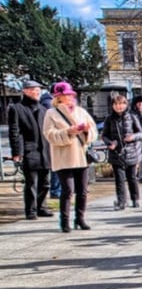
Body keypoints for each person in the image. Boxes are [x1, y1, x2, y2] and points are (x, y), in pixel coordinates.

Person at [43, 82, 98, 232]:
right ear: (58, 97)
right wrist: (68, 131)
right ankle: (64, 221)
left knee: (83, 190)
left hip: (81, 154)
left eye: (70, 95)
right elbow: (48, 134)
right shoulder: (51, 113)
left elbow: (92, 129)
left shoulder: (81, 111)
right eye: (65, 95)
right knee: (67, 190)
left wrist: (86, 131)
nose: (69, 98)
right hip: (63, 156)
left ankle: (80, 218)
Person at [8, 80, 53, 220]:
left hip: (45, 149)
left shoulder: (44, 109)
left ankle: (42, 206)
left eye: (39, 89)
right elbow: (15, 131)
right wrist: (17, 152)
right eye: (34, 89)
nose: (37, 92)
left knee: (45, 181)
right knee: (31, 182)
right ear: (26, 91)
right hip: (29, 149)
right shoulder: (17, 108)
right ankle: (31, 210)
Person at [101, 94, 142, 210]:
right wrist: (110, 143)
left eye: (121, 104)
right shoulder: (109, 119)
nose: (119, 106)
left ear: (126, 105)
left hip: (131, 152)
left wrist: (133, 137)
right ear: (113, 106)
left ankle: (135, 199)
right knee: (119, 179)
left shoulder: (132, 117)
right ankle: (121, 201)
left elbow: (140, 133)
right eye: (116, 104)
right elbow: (104, 135)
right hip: (116, 153)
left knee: (132, 177)